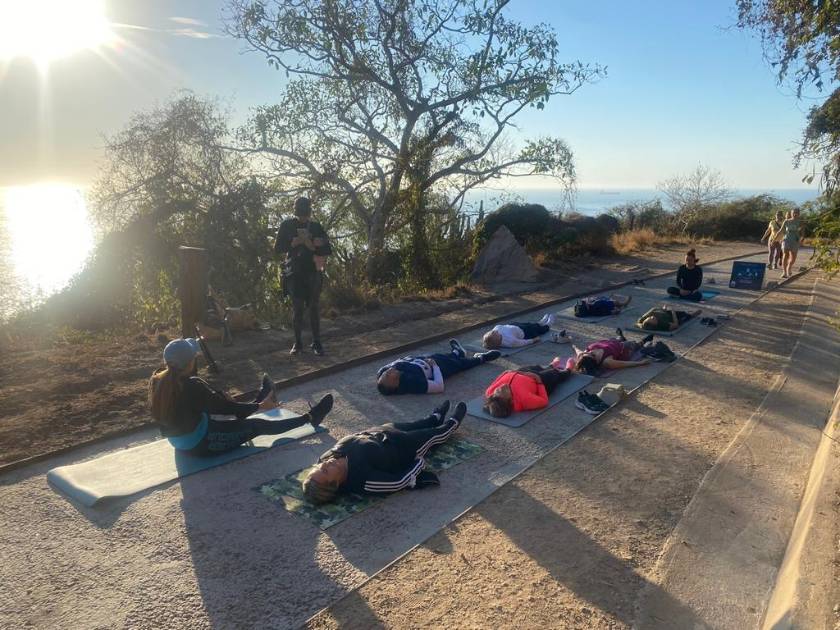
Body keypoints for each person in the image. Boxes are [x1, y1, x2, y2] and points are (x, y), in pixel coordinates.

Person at [148, 338, 334, 456]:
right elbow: (225, 408)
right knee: (258, 426)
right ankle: (310, 418)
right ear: (190, 363)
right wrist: (260, 407)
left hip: (180, 440)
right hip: (199, 444)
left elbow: (207, 404)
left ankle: (253, 405)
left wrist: (223, 399)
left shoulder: (158, 380)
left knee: (219, 400)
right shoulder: (192, 386)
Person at [302, 400, 467, 503]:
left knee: (419, 423)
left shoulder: (326, 458)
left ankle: (434, 417)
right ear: (336, 484)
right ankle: (452, 423)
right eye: (325, 471)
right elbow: (398, 482)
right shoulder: (361, 480)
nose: (324, 464)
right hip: (404, 447)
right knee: (435, 434)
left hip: (382, 431)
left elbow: (321, 465)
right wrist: (418, 462)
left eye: (319, 467)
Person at [274, 197, 332, 356]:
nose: (304, 217)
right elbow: (278, 248)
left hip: (313, 271)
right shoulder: (287, 225)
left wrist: (318, 243)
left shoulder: (316, 226)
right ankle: (298, 342)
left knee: (314, 307)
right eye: (301, 213)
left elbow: (327, 249)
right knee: (298, 308)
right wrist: (293, 243)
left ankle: (317, 342)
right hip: (294, 273)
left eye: (305, 213)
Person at [377, 339, 500, 395]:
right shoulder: (413, 383)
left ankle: (457, 352)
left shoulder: (384, 372)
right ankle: (481, 358)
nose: (389, 370)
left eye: (385, 372)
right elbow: (439, 387)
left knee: (440, 356)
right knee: (459, 364)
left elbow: (385, 369)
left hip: (422, 359)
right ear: (395, 384)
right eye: (388, 374)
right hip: (437, 367)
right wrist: (435, 366)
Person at [483, 358, 571, 418]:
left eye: (496, 392)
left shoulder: (490, 392)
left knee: (536, 367)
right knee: (554, 374)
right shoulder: (525, 399)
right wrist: (538, 380)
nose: (499, 388)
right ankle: (568, 369)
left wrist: (507, 372)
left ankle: (551, 365)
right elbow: (544, 401)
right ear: (509, 400)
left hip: (521, 372)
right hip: (539, 381)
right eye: (501, 391)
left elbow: (498, 379)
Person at [566, 328, 653, 375]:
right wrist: (640, 363)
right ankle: (644, 341)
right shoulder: (607, 362)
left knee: (616, 339)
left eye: (586, 353)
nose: (588, 352)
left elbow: (579, 352)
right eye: (591, 354)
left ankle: (620, 338)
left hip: (611, 342)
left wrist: (574, 347)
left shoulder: (585, 355)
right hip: (623, 348)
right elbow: (625, 364)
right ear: (594, 360)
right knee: (634, 345)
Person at [482, 313, 557, 349]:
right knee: (538, 330)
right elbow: (522, 343)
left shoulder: (495, 330)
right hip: (525, 332)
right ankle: (548, 325)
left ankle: (539, 323)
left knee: (530, 324)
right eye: (495, 334)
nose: (495, 331)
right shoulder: (510, 342)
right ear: (498, 340)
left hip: (514, 325)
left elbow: (489, 339)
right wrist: (533, 340)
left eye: (493, 332)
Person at [637, 305, 701, 332]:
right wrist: (673, 311)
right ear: (656, 324)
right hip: (674, 318)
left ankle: (664, 310)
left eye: (650, 317)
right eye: (653, 319)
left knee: (660, 310)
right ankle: (692, 314)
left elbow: (652, 309)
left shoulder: (643, 320)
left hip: (665, 313)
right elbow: (676, 325)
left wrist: (662, 309)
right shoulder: (663, 325)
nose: (652, 317)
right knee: (687, 315)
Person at [780, 208, 803, 278]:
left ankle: (789, 267)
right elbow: (781, 230)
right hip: (786, 240)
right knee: (785, 255)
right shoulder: (786, 221)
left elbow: (802, 233)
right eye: (793, 212)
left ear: (799, 214)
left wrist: (801, 240)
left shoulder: (800, 222)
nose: (795, 214)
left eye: (796, 213)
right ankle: (784, 272)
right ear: (791, 213)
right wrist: (776, 238)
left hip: (795, 241)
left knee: (793, 258)